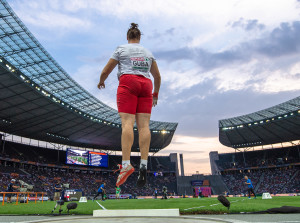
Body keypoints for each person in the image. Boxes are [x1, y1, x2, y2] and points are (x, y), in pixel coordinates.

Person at [97, 23, 161, 188]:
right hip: (146, 85)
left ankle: (126, 164)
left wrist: (101, 81)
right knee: (144, 127)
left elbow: (106, 70)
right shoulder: (148, 52)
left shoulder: (121, 49)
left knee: (127, 123)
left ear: (128, 37)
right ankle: (144, 164)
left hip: (128, 82)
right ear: (139, 38)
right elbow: (158, 77)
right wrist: (155, 94)